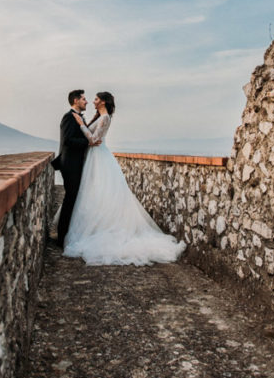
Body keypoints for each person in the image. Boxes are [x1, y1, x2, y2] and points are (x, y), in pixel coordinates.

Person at [63, 92, 185, 265]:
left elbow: (94, 139)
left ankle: (103, 230)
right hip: (93, 158)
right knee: (93, 194)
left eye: (96, 99)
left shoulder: (105, 118)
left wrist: (82, 125)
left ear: (103, 102)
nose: (93, 101)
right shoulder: (99, 116)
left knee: (101, 192)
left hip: (99, 158)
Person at [53, 89, 93, 248]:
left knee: (73, 199)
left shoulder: (78, 117)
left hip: (75, 163)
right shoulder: (68, 117)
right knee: (70, 199)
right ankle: (62, 238)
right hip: (70, 164)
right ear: (76, 100)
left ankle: (66, 234)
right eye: (84, 99)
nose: (86, 101)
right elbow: (68, 140)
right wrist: (88, 143)